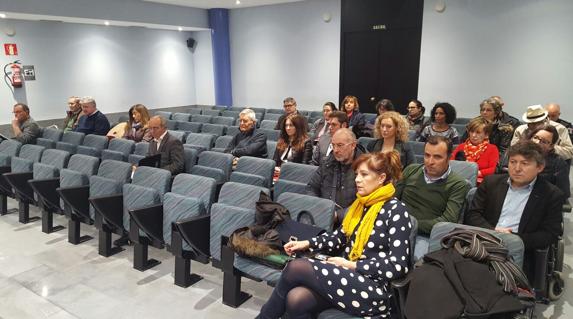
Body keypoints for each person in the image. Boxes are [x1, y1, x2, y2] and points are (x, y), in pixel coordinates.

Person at [258, 151, 412, 319]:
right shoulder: (359, 205)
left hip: (373, 288)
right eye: (357, 175)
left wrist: (351, 265)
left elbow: (398, 265)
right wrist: (307, 243)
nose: (357, 179)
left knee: (296, 267)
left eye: (364, 175)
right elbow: (338, 238)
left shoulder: (396, 210)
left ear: (381, 178)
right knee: (296, 299)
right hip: (347, 277)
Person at [465, 141, 564, 273]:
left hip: (517, 252)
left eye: (525, 163)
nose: (517, 168)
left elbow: (549, 234)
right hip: (482, 242)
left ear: (539, 167)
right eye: (513, 162)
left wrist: (514, 239)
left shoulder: (551, 195)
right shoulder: (491, 183)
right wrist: (493, 231)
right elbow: (473, 214)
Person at [395, 136, 470, 258]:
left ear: (449, 158)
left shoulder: (458, 184)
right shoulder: (411, 170)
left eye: (437, 157)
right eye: (427, 155)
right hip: (397, 226)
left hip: (426, 235)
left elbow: (447, 220)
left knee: (418, 261)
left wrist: (411, 224)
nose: (430, 162)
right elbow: (393, 199)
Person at [497, 125, 570, 201]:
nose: (537, 142)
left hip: (539, 202)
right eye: (535, 137)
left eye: (544, 141)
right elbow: (497, 179)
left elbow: (563, 193)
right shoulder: (512, 153)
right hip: (507, 195)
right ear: (530, 137)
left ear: (551, 146)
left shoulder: (558, 163)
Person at [308, 128, 366, 216]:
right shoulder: (327, 162)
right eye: (333, 145)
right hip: (322, 214)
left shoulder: (365, 168)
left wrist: (338, 216)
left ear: (353, 145)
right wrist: (317, 207)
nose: (335, 150)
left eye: (340, 145)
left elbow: (365, 202)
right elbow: (311, 188)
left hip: (350, 220)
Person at [451, 117, 499, 185]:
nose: (473, 135)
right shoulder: (461, 147)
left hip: (481, 184)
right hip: (459, 181)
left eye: (478, 132)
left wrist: (474, 173)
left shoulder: (492, 149)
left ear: (486, 135)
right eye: (472, 131)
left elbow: (493, 169)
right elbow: (451, 164)